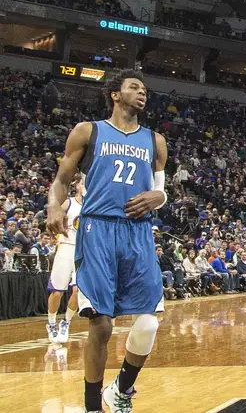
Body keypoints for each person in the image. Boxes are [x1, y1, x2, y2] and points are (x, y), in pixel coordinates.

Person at [46, 70, 168, 413]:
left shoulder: (156, 140)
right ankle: (92, 407)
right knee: (102, 323)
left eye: (145, 88)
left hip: (138, 232)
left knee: (149, 321)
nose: (142, 92)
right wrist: (54, 205)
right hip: (97, 230)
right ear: (115, 94)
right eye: (134, 87)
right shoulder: (89, 131)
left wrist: (159, 198)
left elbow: (161, 190)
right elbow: (60, 180)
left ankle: (121, 388)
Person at [46, 177, 85, 344]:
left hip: (83, 251)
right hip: (66, 246)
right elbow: (54, 218)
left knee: (78, 291)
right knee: (57, 292)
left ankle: (66, 322)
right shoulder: (68, 203)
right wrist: (56, 234)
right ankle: (51, 322)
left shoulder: (93, 206)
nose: (86, 186)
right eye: (83, 182)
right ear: (77, 185)